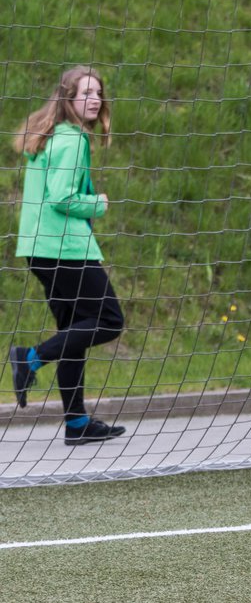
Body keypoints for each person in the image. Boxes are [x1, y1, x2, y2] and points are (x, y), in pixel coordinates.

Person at [9, 66, 127, 445]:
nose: (94, 99)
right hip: (64, 249)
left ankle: (77, 424)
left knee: (73, 333)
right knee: (109, 320)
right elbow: (61, 197)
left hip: (39, 249)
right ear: (68, 98)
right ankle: (30, 358)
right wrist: (98, 202)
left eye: (98, 93)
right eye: (85, 93)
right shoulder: (72, 140)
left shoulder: (49, 136)